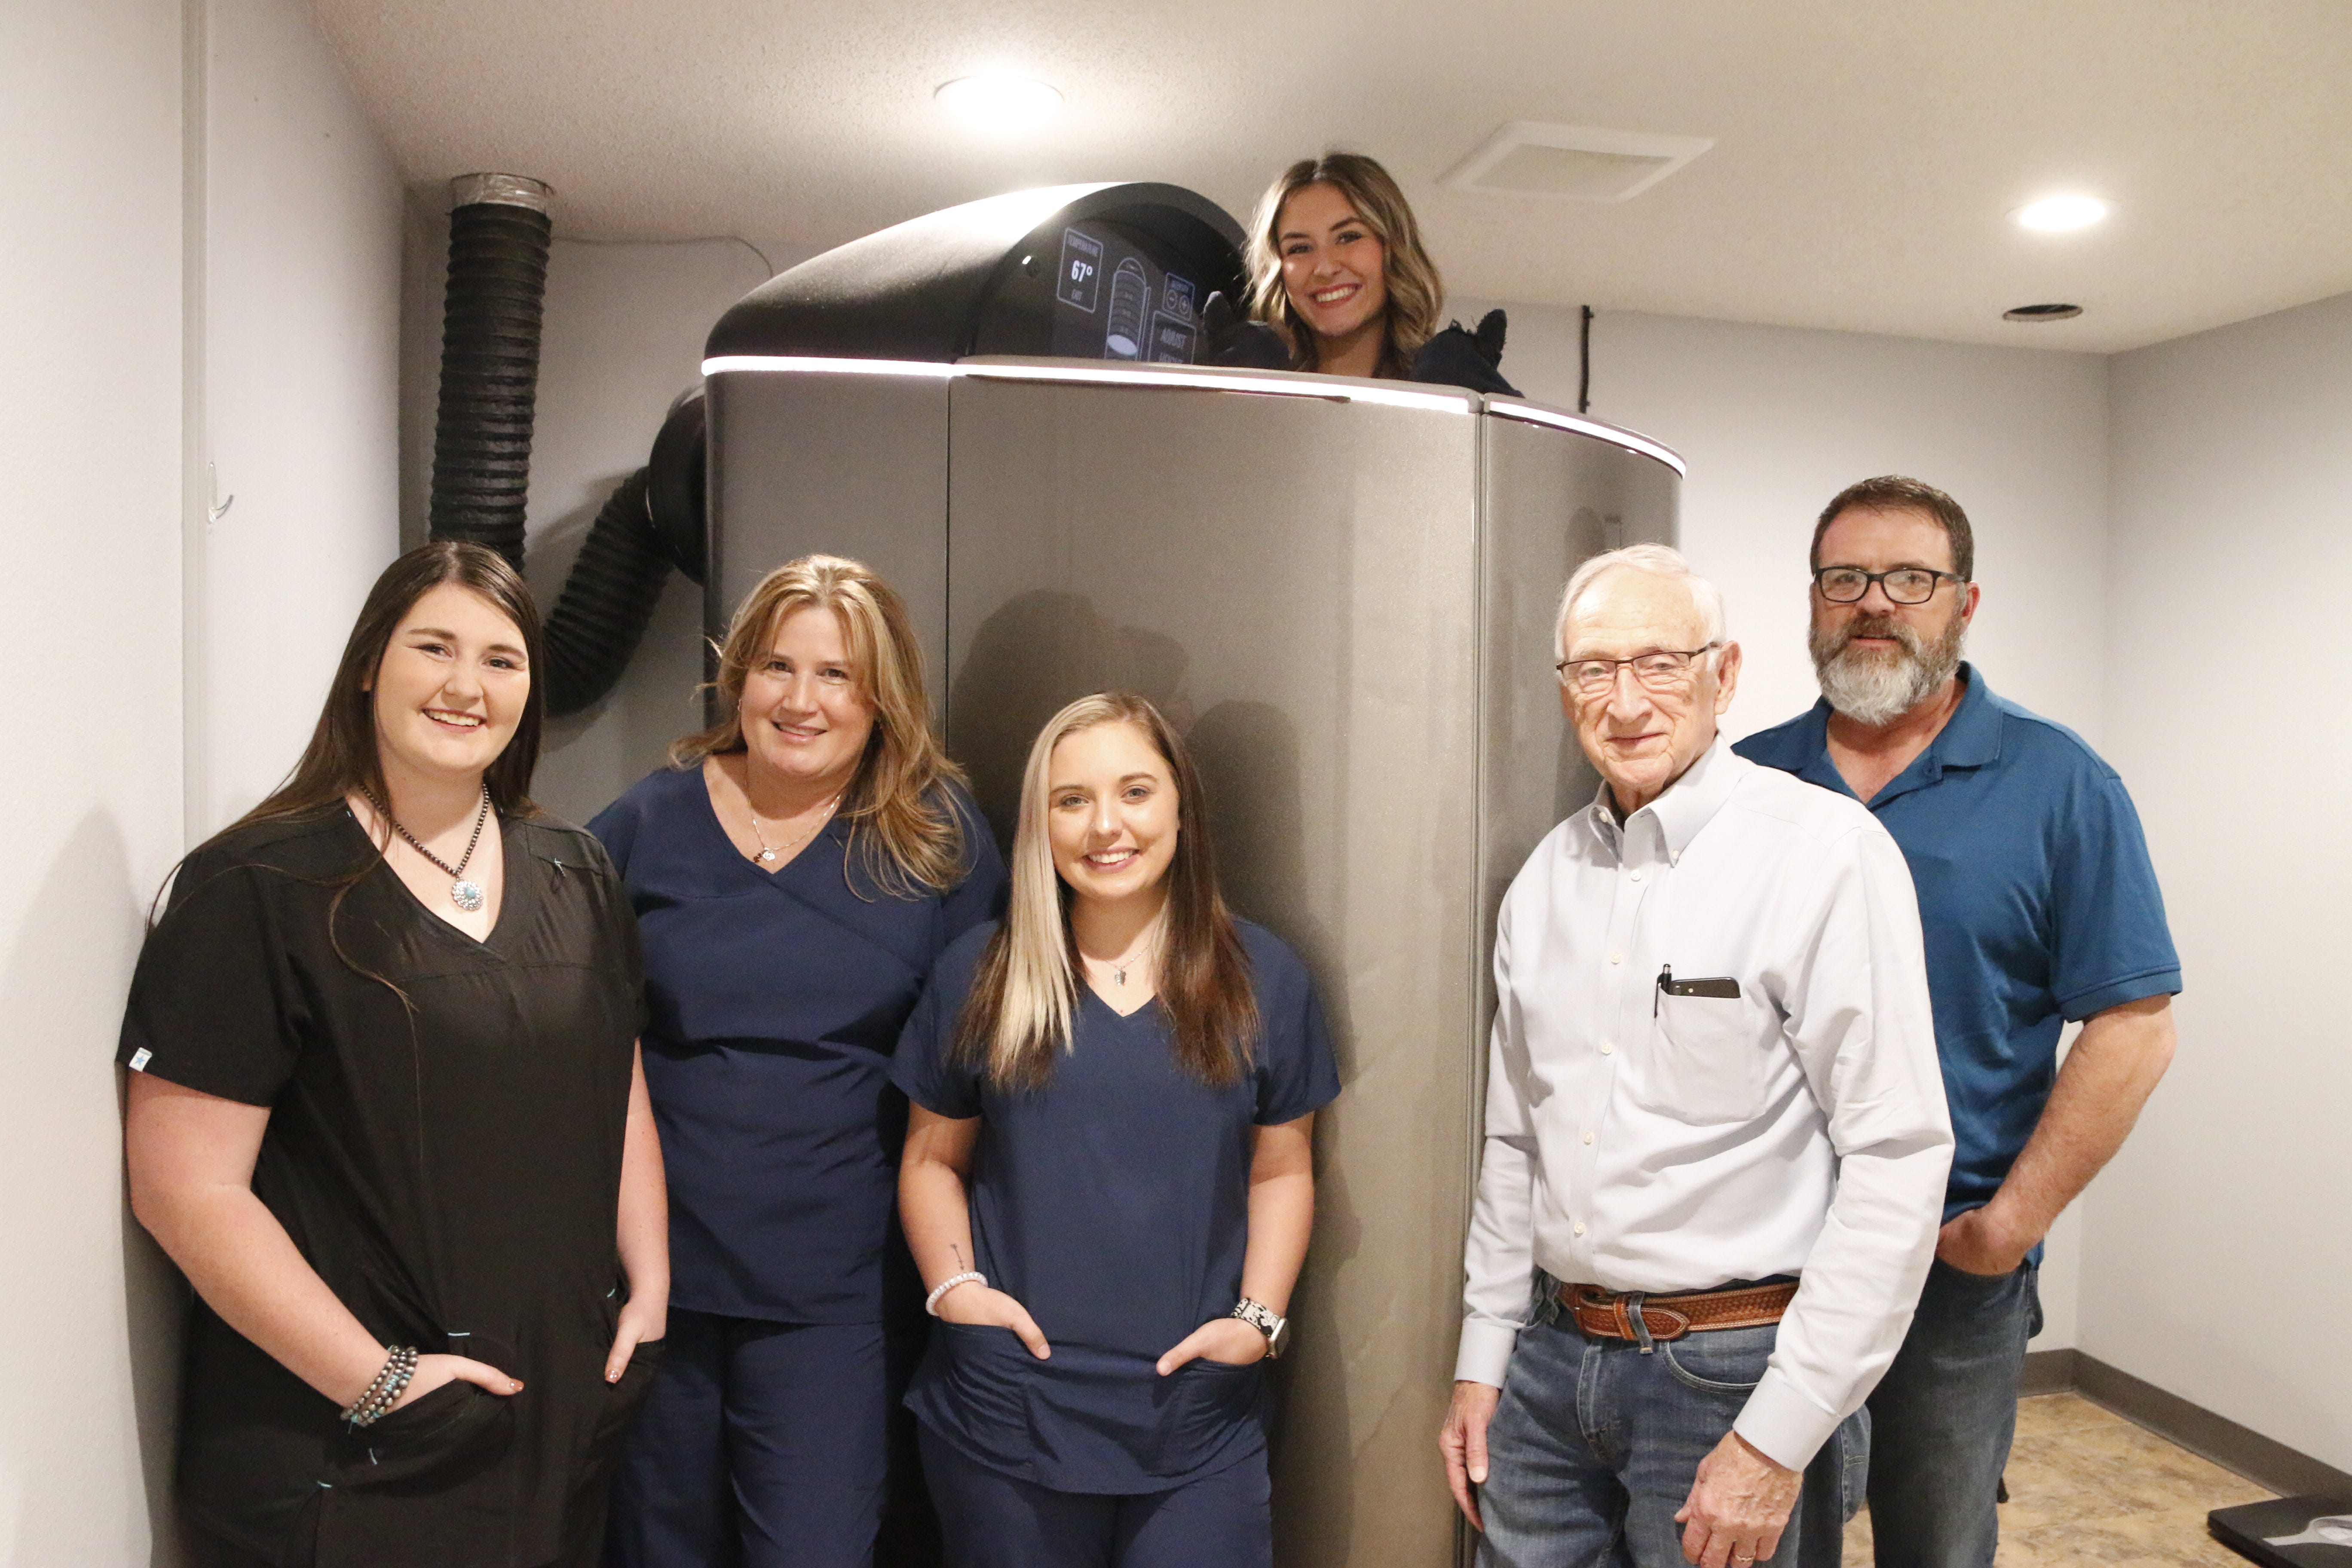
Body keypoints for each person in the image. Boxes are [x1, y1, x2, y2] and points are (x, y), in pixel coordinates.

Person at [119, 540, 668, 1568]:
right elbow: (183, 1188)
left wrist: (648, 1283)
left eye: (502, 660)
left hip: (554, 1422)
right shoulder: (255, 886)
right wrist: (376, 1381)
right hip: (348, 1439)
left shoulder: (575, 870)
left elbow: (615, 1076)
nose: (467, 685)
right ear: (369, 663)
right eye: (434, 647)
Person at [1439, 544, 1954, 1568]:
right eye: (1592, 669)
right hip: (1546, 1371)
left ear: (1723, 675)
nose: (1623, 699)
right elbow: (1514, 1143)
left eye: (1658, 662)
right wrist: (1482, 1357)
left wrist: (1780, 1433)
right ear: (1561, 690)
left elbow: (1896, 1157)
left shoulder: (1820, 857)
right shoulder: (1543, 881)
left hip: (1729, 1375)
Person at [1733, 478, 2180, 1568]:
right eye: (1845, 579)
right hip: (1756, 1264)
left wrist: (2008, 1225)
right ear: (1810, 600)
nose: (1873, 604)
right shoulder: (1741, 783)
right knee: (1758, 1536)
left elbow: (2132, 1023)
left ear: (1963, 604)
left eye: (1910, 580)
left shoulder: (2058, 783)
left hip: (1949, 1264)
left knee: (1933, 1544)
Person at [592, 554, 1007, 1568]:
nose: (801, 700)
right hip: (657, 1279)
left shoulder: (937, 839)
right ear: (737, 677)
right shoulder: (644, 826)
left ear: (882, 698)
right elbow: (579, 1042)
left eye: (836, 675)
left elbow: (981, 1065)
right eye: (777, 667)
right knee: (657, 1550)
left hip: (838, 1292)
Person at [894, 693, 1339, 1568]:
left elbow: (1282, 1170)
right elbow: (928, 1159)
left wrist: (1258, 1322)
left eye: (1135, 792)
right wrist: (957, 1296)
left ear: (1180, 805)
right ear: (1040, 822)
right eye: (1072, 800)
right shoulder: (980, 974)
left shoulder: (1263, 979)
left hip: (1195, 1422)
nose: (1106, 826)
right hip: (1008, 1414)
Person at [1200, 150, 1518, 395]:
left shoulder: (1445, 383)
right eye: (1299, 248)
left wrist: (1489, 418)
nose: (1325, 268)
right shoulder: (1250, 381)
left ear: (1391, 246)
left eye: (1348, 237)